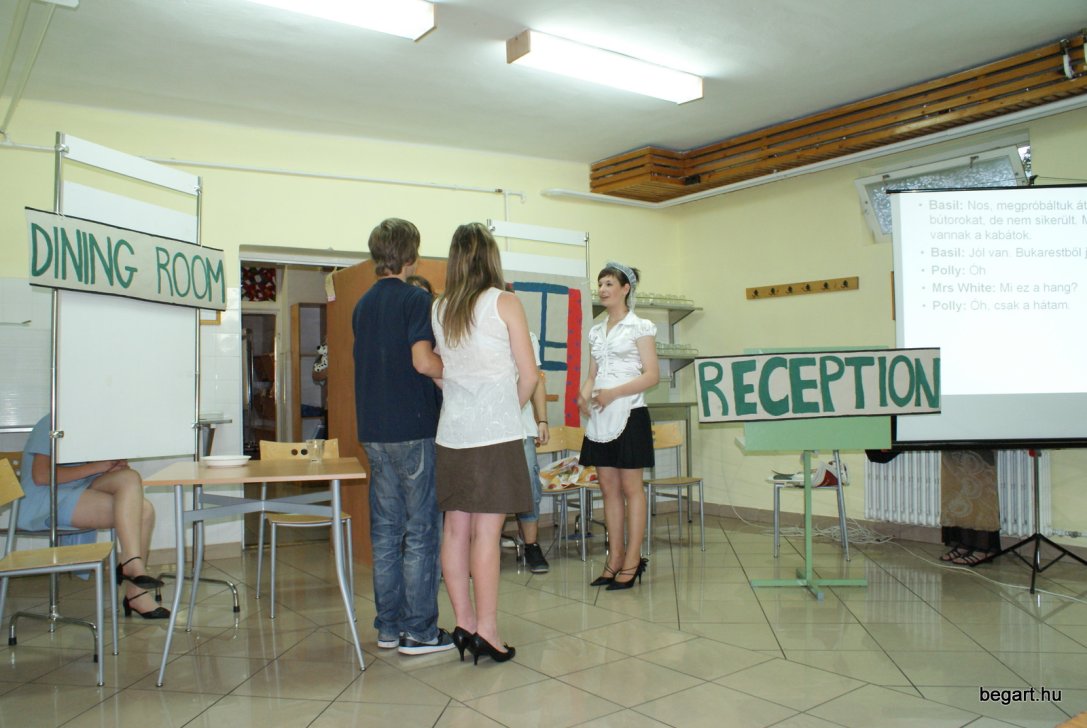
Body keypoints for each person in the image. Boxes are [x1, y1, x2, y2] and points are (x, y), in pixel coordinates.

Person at [432, 222, 538, 664]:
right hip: (494, 436)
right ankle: (488, 632)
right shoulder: (504, 302)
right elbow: (529, 376)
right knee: (487, 535)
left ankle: (464, 623)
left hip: (452, 435)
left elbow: (443, 376)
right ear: (490, 257)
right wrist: (504, 411)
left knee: (455, 530)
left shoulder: (440, 308)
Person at [352, 217, 454, 656]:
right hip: (413, 428)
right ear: (412, 255)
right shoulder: (417, 300)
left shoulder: (362, 305)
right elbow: (423, 362)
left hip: (374, 431)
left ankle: (388, 627)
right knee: (422, 531)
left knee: (386, 532)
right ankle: (420, 631)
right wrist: (460, 373)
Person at [20, 415, 169, 619]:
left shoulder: (94, 421)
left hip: (79, 487)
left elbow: (93, 469)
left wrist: (112, 466)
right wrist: (98, 467)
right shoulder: (51, 421)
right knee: (143, 511)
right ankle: (134, 575)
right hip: (45, 497)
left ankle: (133, 577)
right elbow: (41, 476)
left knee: (131, 479)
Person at [577, 262, 659, 590]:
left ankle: (633, 560)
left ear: (626, 289)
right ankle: (614, 558)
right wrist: (584, 396)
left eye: (610, 283)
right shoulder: (596, 331)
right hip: (601, 416)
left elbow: (651, 375)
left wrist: (614, 393)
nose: (603, 289)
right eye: (601, 284)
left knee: (631, 489)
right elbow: (592, 374)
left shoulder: (640, 326)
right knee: (608, 489)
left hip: (630, 413)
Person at [516, 330, 550, 573]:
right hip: (486, 427)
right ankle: (481, 547)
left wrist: (542, 420)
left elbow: (536, 378)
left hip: (522, 425)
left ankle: (531, 545)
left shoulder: (527, 336)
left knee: (529, 484)